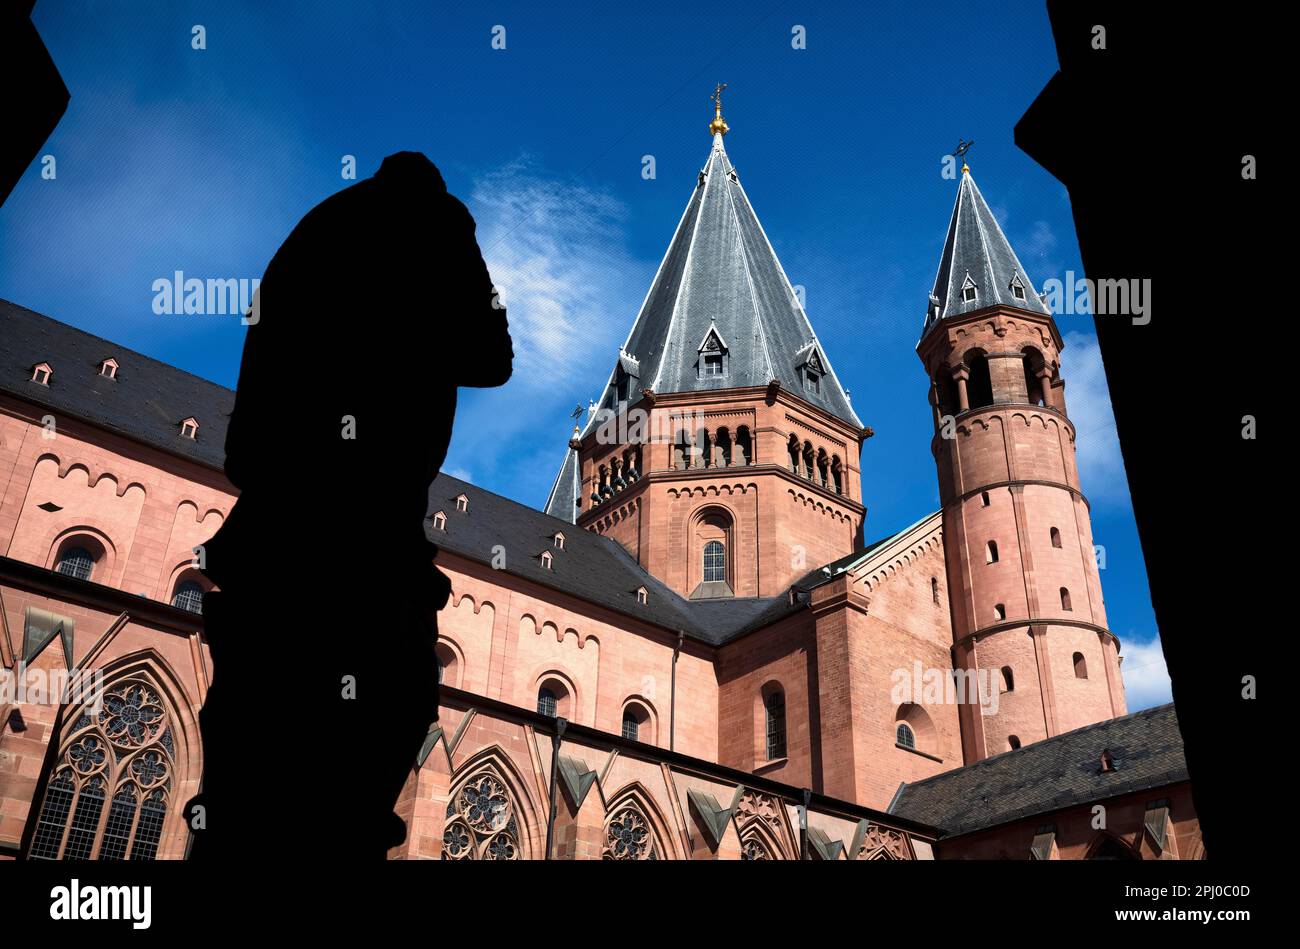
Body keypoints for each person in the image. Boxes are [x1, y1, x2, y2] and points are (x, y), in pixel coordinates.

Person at [187, 151, 513, 862]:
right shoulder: (432, 230)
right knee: (353, 780)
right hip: (368, 543)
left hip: (273, 533)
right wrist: (460, 240)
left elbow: (244, 436)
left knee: (246, 778)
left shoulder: (311, 233)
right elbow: (493, 355)